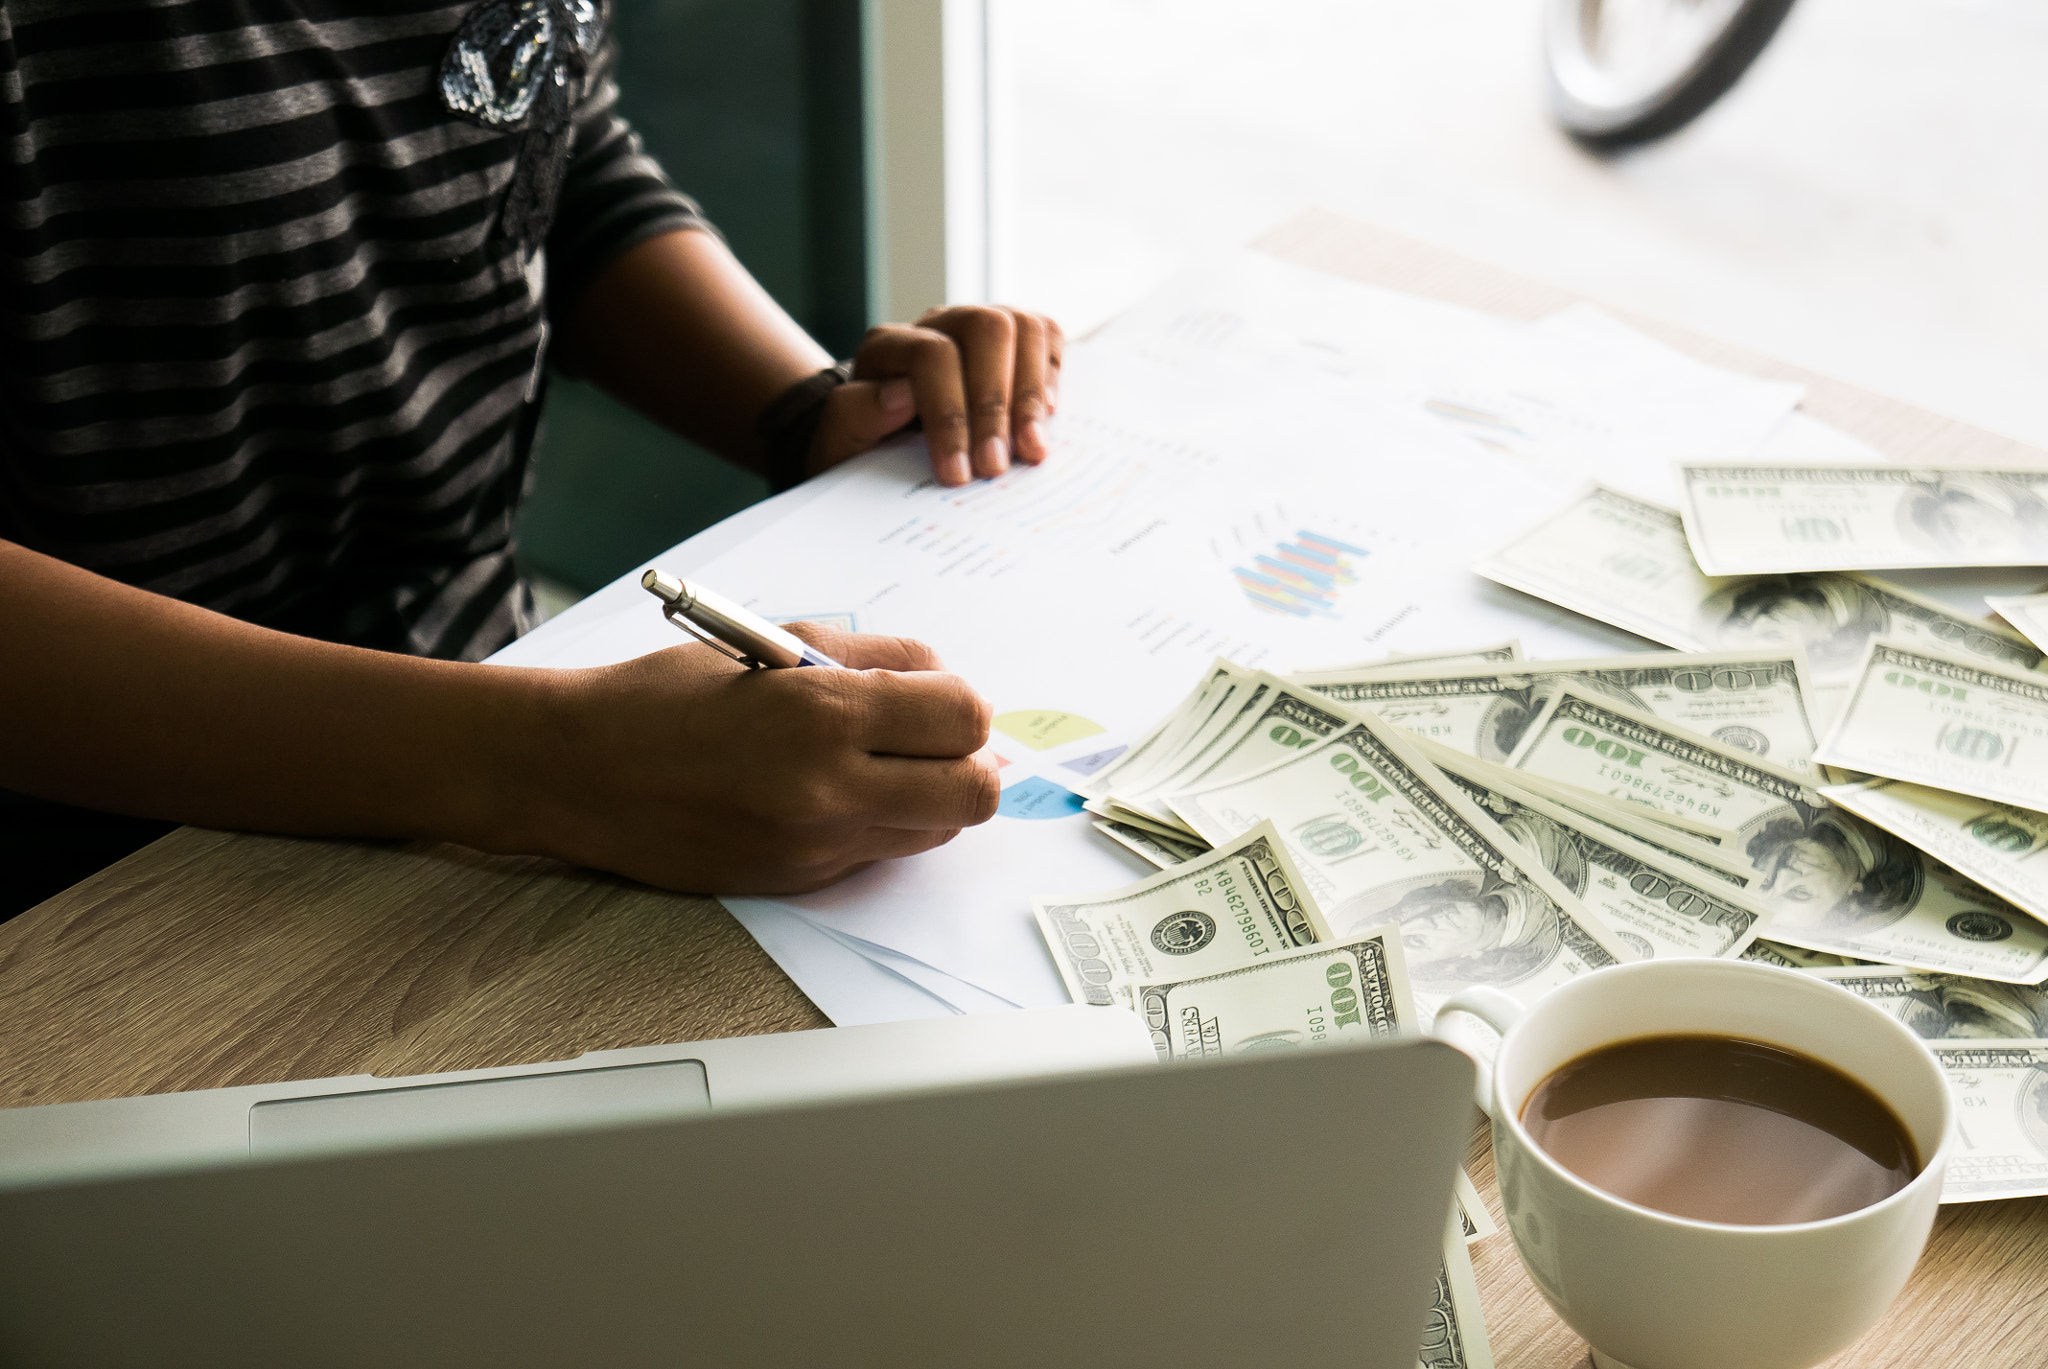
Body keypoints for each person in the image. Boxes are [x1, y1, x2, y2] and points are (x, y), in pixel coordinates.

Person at [0, 2, 1062, 916]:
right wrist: (544, 768)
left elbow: (543, 141)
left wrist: (805, 411)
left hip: (484, 705)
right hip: (99, 871)